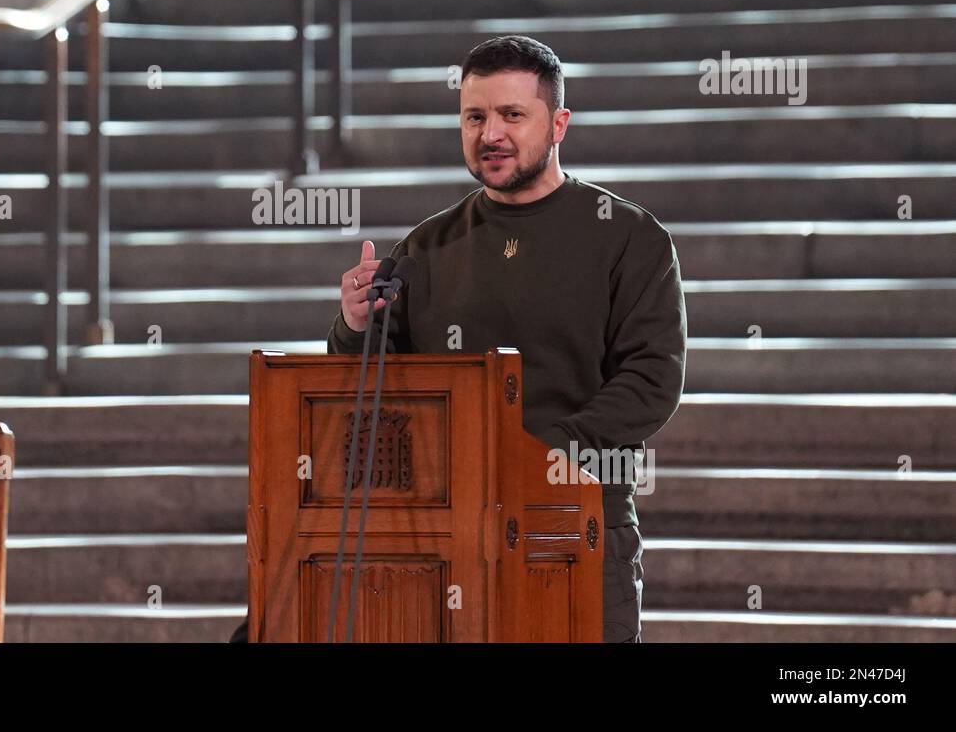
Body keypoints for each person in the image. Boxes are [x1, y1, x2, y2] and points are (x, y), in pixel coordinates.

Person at [232, 35, 687, 643]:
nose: (490, 133)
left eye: (511, 115)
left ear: (559, 123)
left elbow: (652, 380)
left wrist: (530, 456)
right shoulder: (426, 246)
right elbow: (368, 393)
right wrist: (356, 325)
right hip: (437, 532)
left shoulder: (629, 237)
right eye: (475, 116)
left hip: (573, 517)